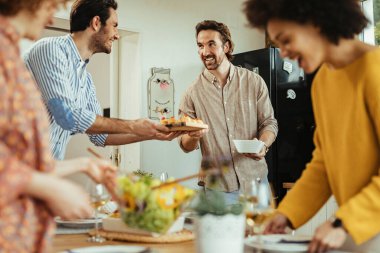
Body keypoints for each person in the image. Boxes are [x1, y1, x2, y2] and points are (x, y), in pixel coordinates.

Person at [243, 0, 380, 252]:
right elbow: (324, 163)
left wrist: (343, 223)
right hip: (359, 228)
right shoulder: (324, 81)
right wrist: (286, 214)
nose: (283, 52)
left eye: (286, 40)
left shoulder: (375, 71)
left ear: (316, 21)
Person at [0, 0, 118, 251]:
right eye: (50, 6)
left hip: (24, 226)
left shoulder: (10, 53)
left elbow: (22, 158)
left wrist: (83, 164)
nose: (52, 19)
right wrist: (49, 187)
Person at [24, 0, 181, 160]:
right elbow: (67, 116)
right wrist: (134, 125)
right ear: (96, 23)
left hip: (45, 169)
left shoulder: (85, 80)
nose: (117, 35)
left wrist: (153, 133)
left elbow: (101, 136)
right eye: (114, 25)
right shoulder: (51, 50)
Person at [178, 20, 278, 204]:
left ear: (227, 46)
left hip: (256, 183)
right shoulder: (192, 93)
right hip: (218, 189)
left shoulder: (254, 82)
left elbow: (269, 123)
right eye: (200, 45)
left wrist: (263, 144)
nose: (205, 52)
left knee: (259, 233)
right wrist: (193, 135)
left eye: (211, 44)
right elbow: (185, 145)